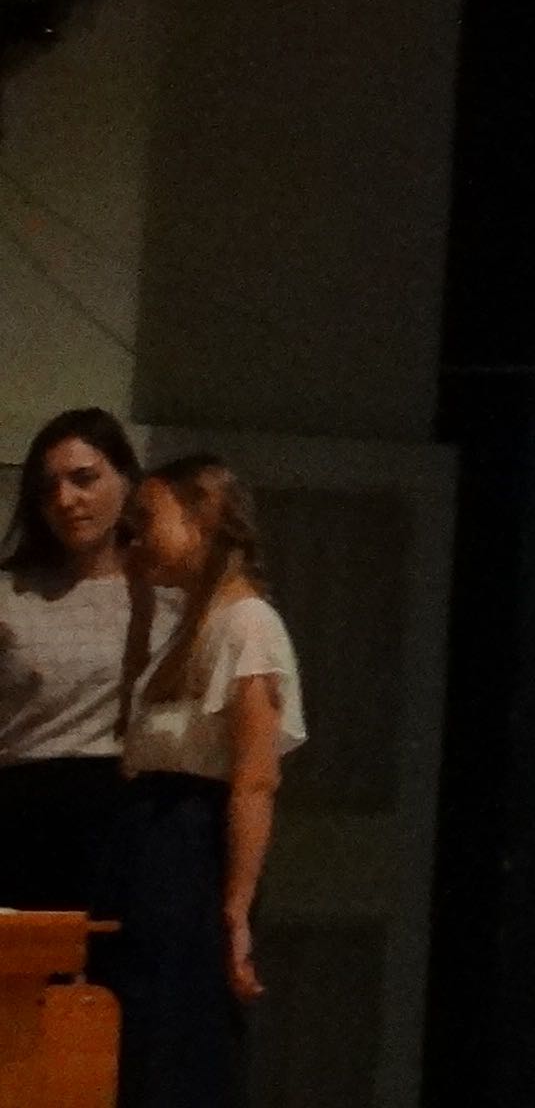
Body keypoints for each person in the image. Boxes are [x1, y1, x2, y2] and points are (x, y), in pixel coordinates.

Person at [113, 456, 295, 1106]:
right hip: (154, 842)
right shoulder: (194, 622)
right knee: (141, 1038)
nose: (135, 538)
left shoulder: (249, 625)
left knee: (180, 1038)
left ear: (204, 519)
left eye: (148, 520)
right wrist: (140, 608)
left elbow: (255, 780)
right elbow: (136, 732)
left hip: (191, 851)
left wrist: (236, 911)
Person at [0, 410, 146, 921]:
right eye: (48, 489)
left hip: (132, 816)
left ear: (125, 479)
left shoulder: (169, 594)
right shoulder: (10, 594)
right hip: (24, 814)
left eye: (84, 479)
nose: (66, 500)